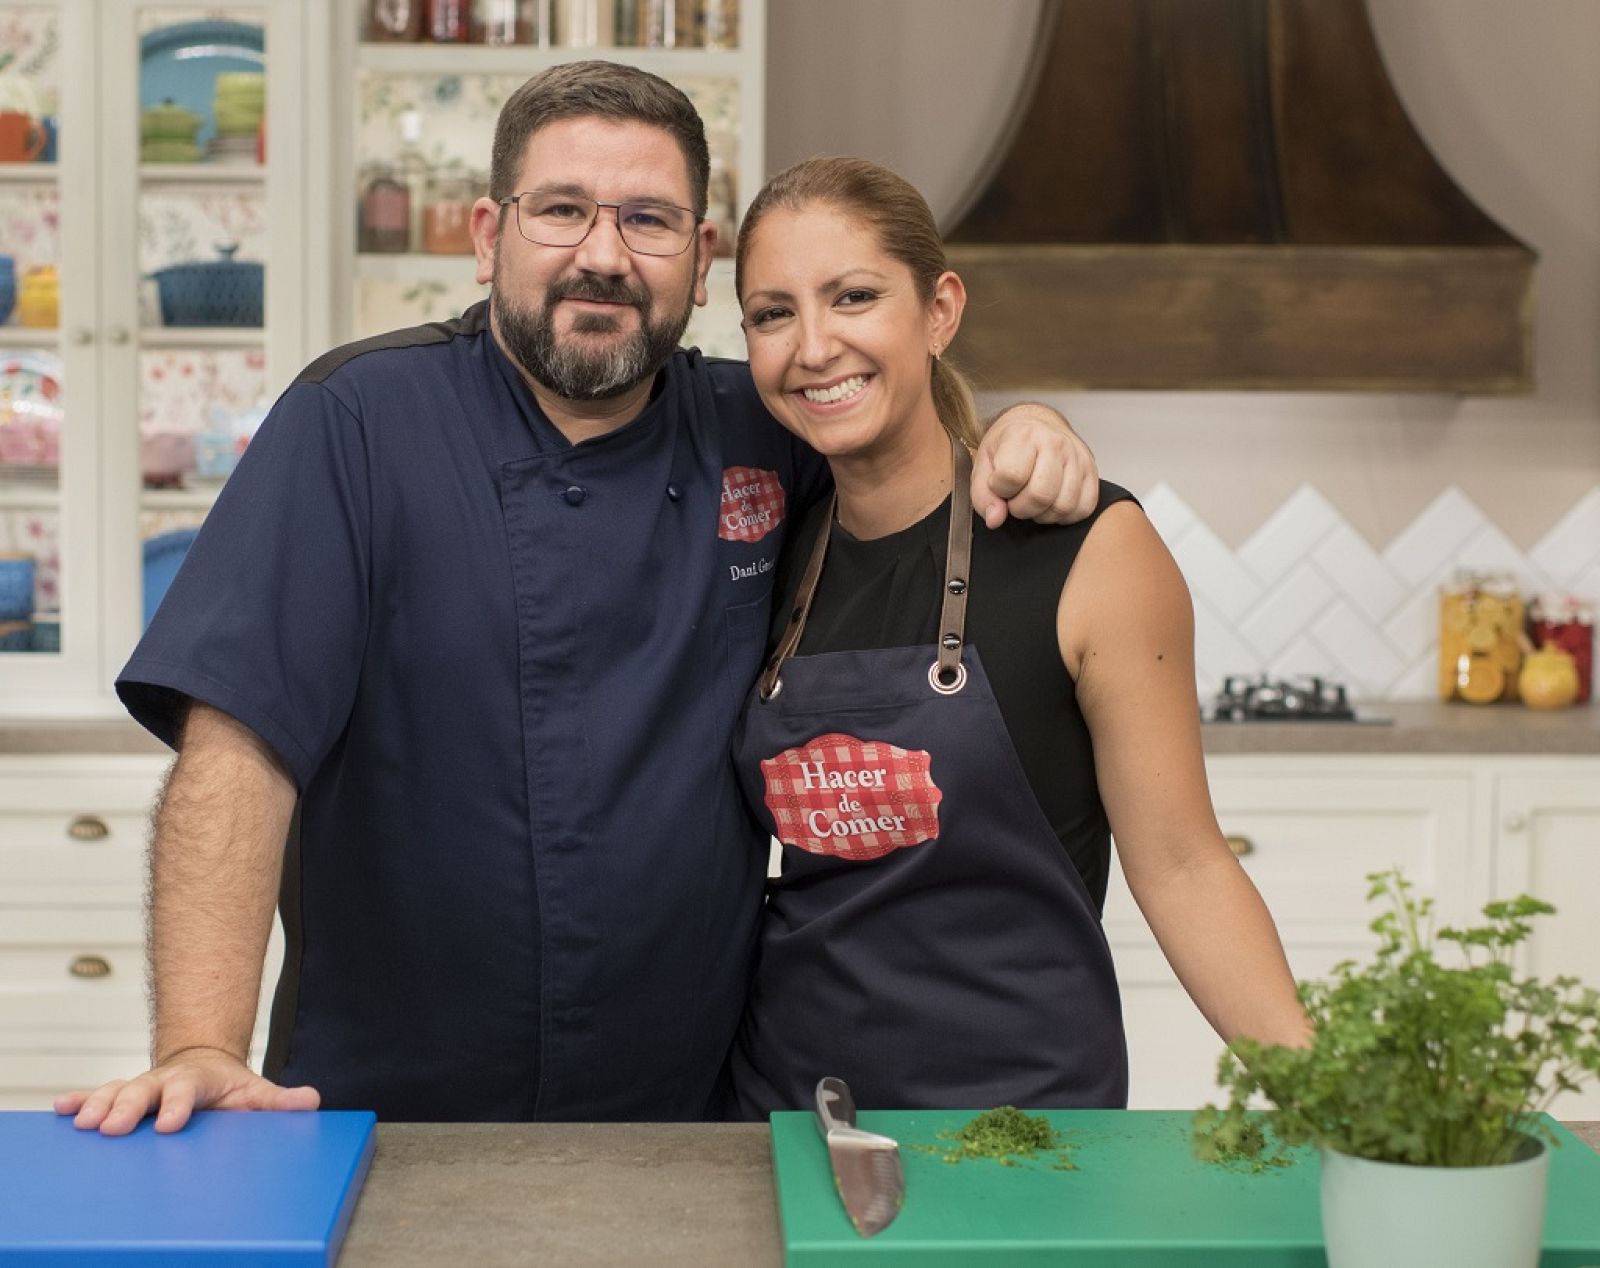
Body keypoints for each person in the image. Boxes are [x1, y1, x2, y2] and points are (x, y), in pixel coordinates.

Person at [56, 63, 1102, 1135]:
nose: (602, 255)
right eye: (561, 210)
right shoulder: (357, 421)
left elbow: (906, 452)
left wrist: (1027, 431)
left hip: (686, 1119)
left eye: (648, 219)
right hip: (377, 1111)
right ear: (486, 234)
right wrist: (199, 1043)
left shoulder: (763, 427)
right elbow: (239, 748)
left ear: (700, 264)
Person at [726, 156, 1309, 1114]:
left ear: (940, 310)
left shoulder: (1087, 551)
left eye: (855, 296)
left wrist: (1329, 1101)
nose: (814, 345)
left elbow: (1185, 865)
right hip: (789, 1111)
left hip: (1027, 1120)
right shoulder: (764, 556)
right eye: (772, 313)